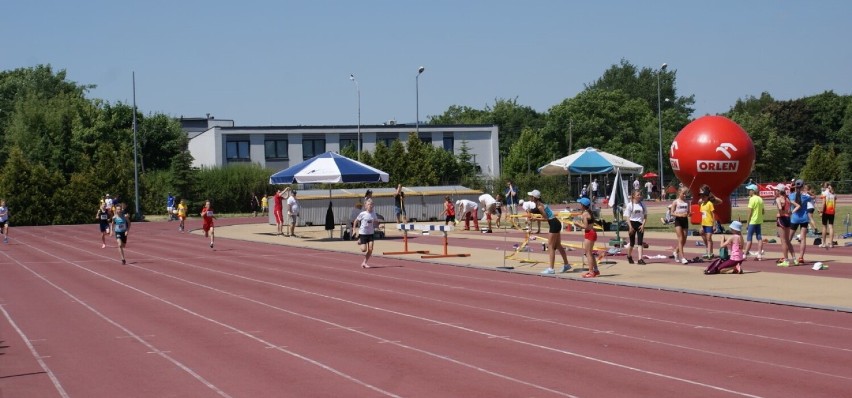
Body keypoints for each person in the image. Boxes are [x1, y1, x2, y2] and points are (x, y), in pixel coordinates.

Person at [527, 189, 571, 275]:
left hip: (554, 224)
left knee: (550, 246)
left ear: (534, 197)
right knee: (558, 245)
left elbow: (546, 218)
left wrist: (535, 219)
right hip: (556, 223)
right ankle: (566, 264)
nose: (530, 197)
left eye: (531, 196)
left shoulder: (540, 206)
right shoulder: (540, 205)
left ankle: (551, 268)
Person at [575, 197, 599, 278]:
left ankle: (591, 271)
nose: (579, 205)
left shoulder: (585, 214)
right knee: (590, 253)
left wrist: (578, 224)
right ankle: (595, 270)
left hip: (589, 233)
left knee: (588, 253)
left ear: (583, 205)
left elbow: (585, 226)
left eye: (580, 204)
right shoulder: (589, 212)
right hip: (591, 232)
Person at [788, 179, 811, 265]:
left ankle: (787, 256)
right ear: (803, 186)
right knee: (803, 238)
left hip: (794, 218)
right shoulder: (805, 196)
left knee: (788, 239)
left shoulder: (791, 196)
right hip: (804, 218)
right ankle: (801, 257)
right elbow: (813, 197)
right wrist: (807, 191)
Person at [353, 200, 380, 268]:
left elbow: (376, 222)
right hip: (363, 233)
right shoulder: (362, 214)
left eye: (371, 204)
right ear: (365, 206)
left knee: (370, 249)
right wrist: (354, 230)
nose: (370, 206)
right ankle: (360, 241)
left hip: (370, 233)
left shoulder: (374, 213)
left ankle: (364, 263)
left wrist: (379, 226)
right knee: (364, 250)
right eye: (368, 204)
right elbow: (356, 221)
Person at [743, 184, 765, 261]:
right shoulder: (760, 199)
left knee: (749, 238)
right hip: (759, 221)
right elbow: (763, 211)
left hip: (752, 221)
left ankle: (745, 255)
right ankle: (759, 254)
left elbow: (749, 212)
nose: (748, 191)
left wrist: (747, 223)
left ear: (753, 191)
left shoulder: (752, 199)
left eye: (749, 190)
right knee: (759, 237)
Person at [625, 190, 648, 264]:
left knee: (640, 242)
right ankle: (629, 256)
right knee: (632, 243)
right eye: (638, 195)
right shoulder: (630, 205)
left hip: (640, 224)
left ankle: (640, 259)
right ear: (633, 196)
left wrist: (643, 225)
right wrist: (630, 227)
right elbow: (627, 217)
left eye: (640, 195)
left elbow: (645, 216)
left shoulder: (642, 204)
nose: (639, 196)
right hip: (632, 224)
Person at [774, 183, 794, 267]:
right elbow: (789, 210)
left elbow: (779, 207)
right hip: (788, 219)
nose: (775, 191)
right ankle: (794, 258)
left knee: (783, 241)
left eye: (776, 190)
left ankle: (786, 260)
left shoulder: (778, 199)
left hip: (782, 219)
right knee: (787, 240)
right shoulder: (788, 199)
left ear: (779, 191)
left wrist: (780, 213)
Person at [669, 188, 690, 264]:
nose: (684, 195)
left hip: (685, 221)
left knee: (684, 239)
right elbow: (671, 213)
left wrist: (688, 214)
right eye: (683, 193)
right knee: (680, 239)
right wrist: (679, 215)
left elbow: (688, 212)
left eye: (686, 194)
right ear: (679, 193)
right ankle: (683, 257)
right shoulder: (675, 202)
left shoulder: (687, 202)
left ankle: (676, 252)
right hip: (678, 221)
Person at [698, 186, 717, 259]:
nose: (702, 197)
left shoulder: (710, 204)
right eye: (701, 196)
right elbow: (702, 216)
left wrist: (714, 225)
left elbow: (713, 214)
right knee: (702, 234)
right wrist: (701, 225)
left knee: (709, 238)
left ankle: (709, 253)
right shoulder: (702, 205)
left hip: (709, 224)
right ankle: (708, 250)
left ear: (707, 196)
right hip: (704, 224)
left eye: (703, 196)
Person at [819, 183, 836, 248]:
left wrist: (821, 211)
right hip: (832, 212)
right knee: (831, 227)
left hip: (826, 211)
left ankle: (823, 243)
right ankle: (831, 243)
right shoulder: (834, 194)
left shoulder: (824, 193)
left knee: (824, 227)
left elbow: (823, 204)